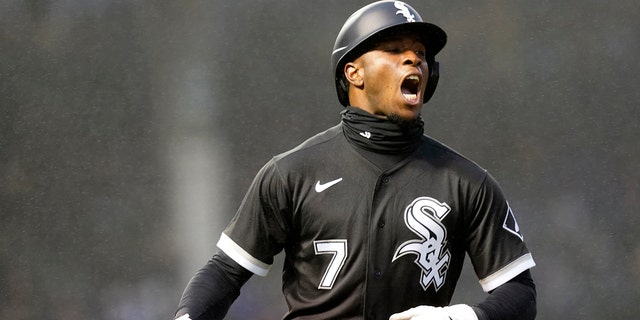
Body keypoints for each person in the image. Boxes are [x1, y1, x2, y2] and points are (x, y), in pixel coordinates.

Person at [174, 1, 537, 319]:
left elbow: (519, 294)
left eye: (421, 54)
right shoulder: (291, 172)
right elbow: (225, 273)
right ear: (354, 72)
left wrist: (459, 317)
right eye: (394, 49)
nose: (414, 58)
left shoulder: (467, 182)